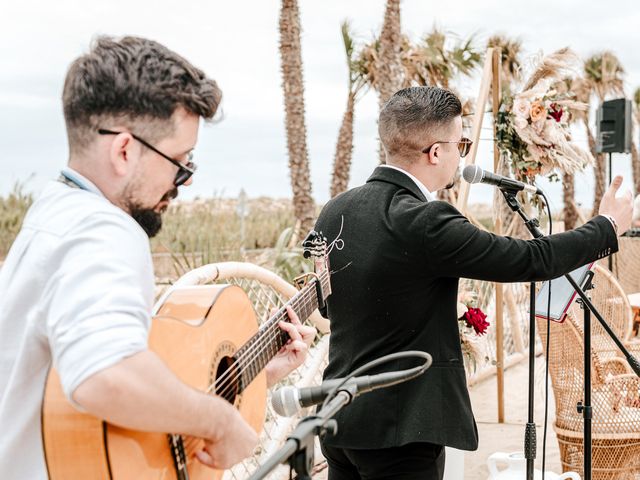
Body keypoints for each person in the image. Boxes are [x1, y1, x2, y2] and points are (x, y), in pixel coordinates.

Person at [0, 36, 316, 478]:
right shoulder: (105, 229)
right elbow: (104, 375)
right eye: (180, 163)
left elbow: (96, 407)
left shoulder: (54, 214)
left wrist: (253, 376)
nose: (183, 182)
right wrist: (221, 420)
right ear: (124, 150)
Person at [315, 86, 632, 480]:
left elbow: (328, 305)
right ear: (436, 152)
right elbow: (531, 258)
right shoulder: (426, 221)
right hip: (402, 430)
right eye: (460, 144)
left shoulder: (333, 212)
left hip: (338, 419)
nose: (461, 154)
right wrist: (607, 227)